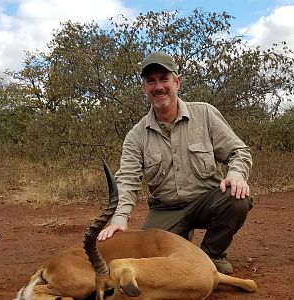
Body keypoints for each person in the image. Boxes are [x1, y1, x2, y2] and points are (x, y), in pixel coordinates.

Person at [97, 51, 253, 274]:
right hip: (166, 208)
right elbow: (127, 180)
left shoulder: (205, 114)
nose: (158, 86)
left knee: (237, 198)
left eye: (164, 78)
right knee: (147, 259)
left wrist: (236, 175)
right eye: (151, 81)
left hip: (205, 201)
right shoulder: (136, 135)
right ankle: (182, 243)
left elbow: (239, 151)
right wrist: (119, 219)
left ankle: (212, 256)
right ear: (144, 88)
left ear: (177, 82)